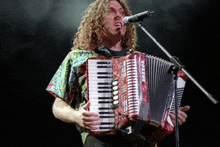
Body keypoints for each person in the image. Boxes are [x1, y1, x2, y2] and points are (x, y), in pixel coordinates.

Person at [46, 0, 190, 146]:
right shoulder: (79, 57)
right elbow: (58, 106)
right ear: (96, 21)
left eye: (122, 12)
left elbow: (150, 110)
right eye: (110, 11)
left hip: (141, 141)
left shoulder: (139, 60)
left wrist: (169, 116)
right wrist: (77, 116)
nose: (118, 16)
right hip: (101, 141)